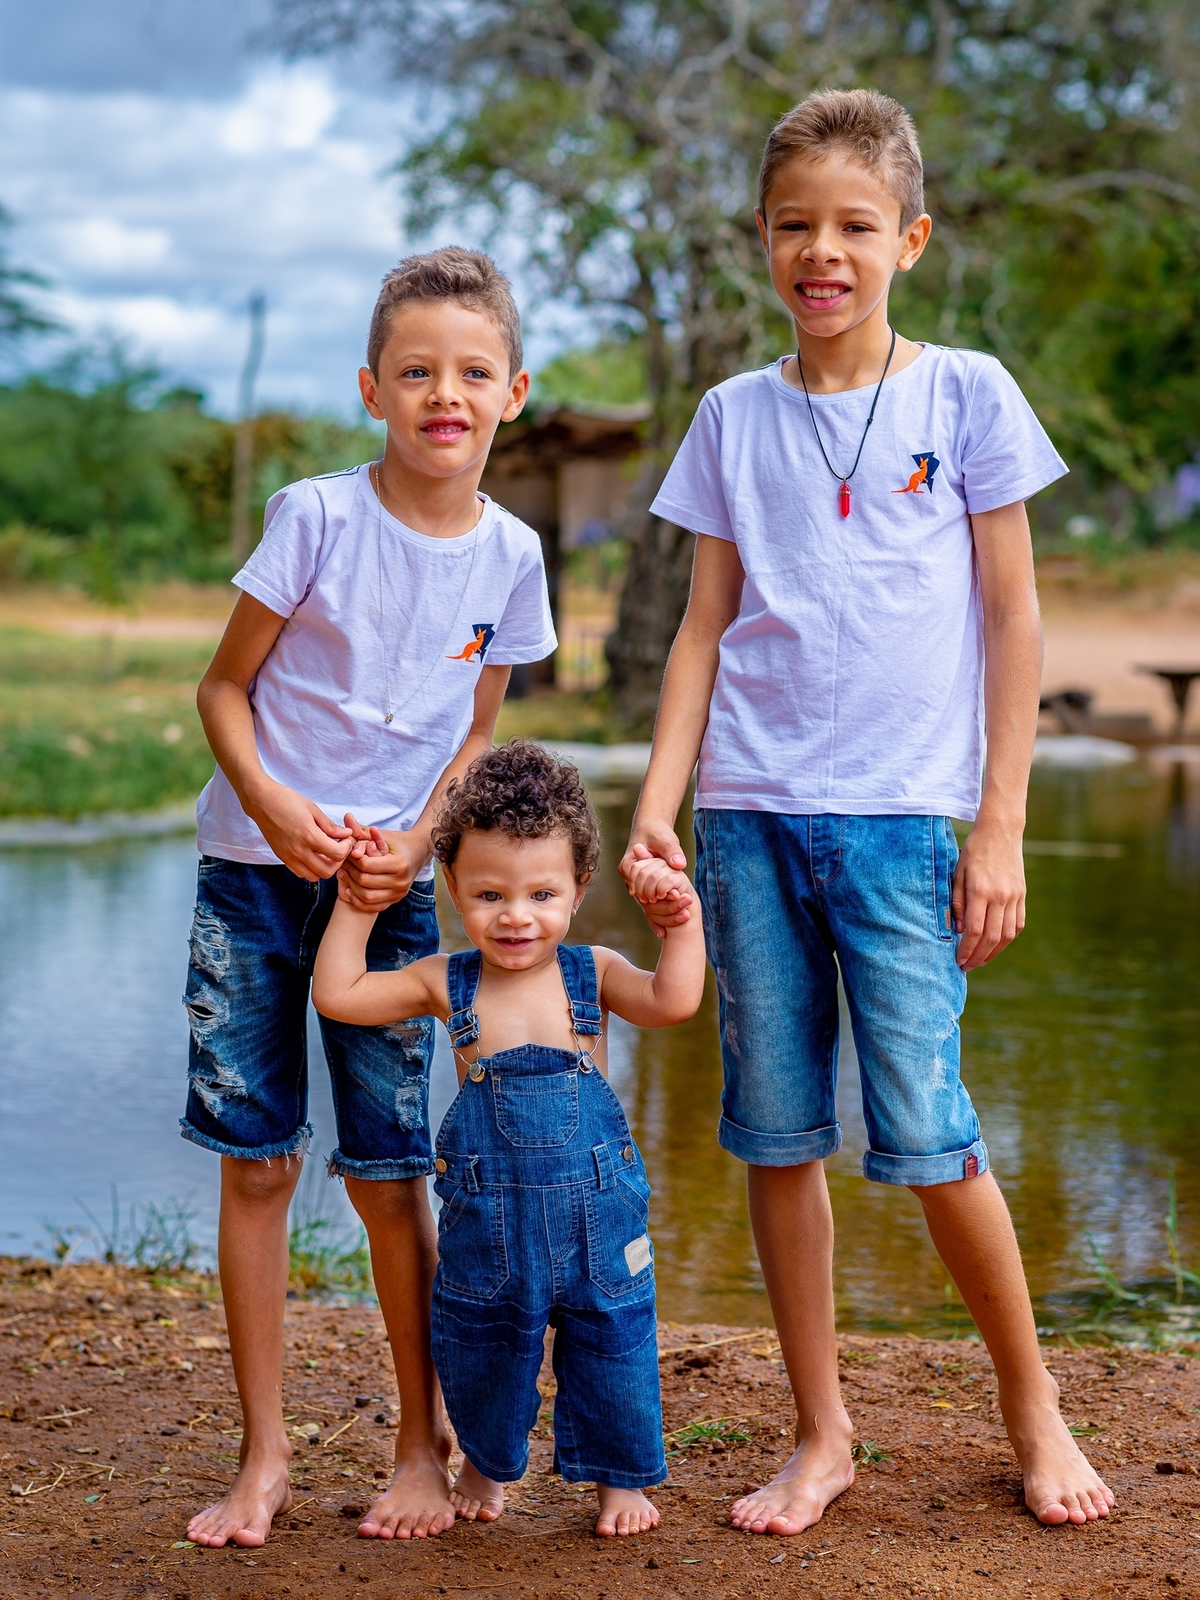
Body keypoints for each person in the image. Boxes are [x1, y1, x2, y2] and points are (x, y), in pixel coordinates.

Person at [621, 88, 1115, 1535]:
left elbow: (1015, 619)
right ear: (761, 242)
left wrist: (1000, 824)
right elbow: (703, 630)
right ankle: (821, 1433)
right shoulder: (731, 415)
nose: (818, 252)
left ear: (909, 237)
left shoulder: (965, 394)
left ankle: (1034, 1403)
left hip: (905, 826)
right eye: (793, 226)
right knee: (777, 1135)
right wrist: (658, 808)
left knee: (932, 1127)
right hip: (749, 818)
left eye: (850, 226)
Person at [182, 248, 558, 1548]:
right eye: (415, 372)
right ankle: (264, 1457)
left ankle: (421, 1440)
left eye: (469, 372)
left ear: (514, 390)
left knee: (394, 1175)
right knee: (259, 1166)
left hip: (391, 893)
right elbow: (222, 691)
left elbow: (476, 735)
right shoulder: (315, 518)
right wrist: (280, 810)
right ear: (371, 389)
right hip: (252, 879)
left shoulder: (512, 557)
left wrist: (420, 838)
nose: (441, 394)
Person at [312, 740, 707, 1537]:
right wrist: (359, 903)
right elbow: (340, 993)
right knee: (484, 1343)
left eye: (540, 893)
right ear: (452, 886)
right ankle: (485, 1460)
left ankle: (618, 1480)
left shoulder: (591, 971)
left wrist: (680, 926)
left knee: (615, 1340)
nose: (515, 915)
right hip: (490, 1227)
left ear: (579, 888)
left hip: (600, 1220)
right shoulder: (445, 980)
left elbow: (673, 1002)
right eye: (489, 893)